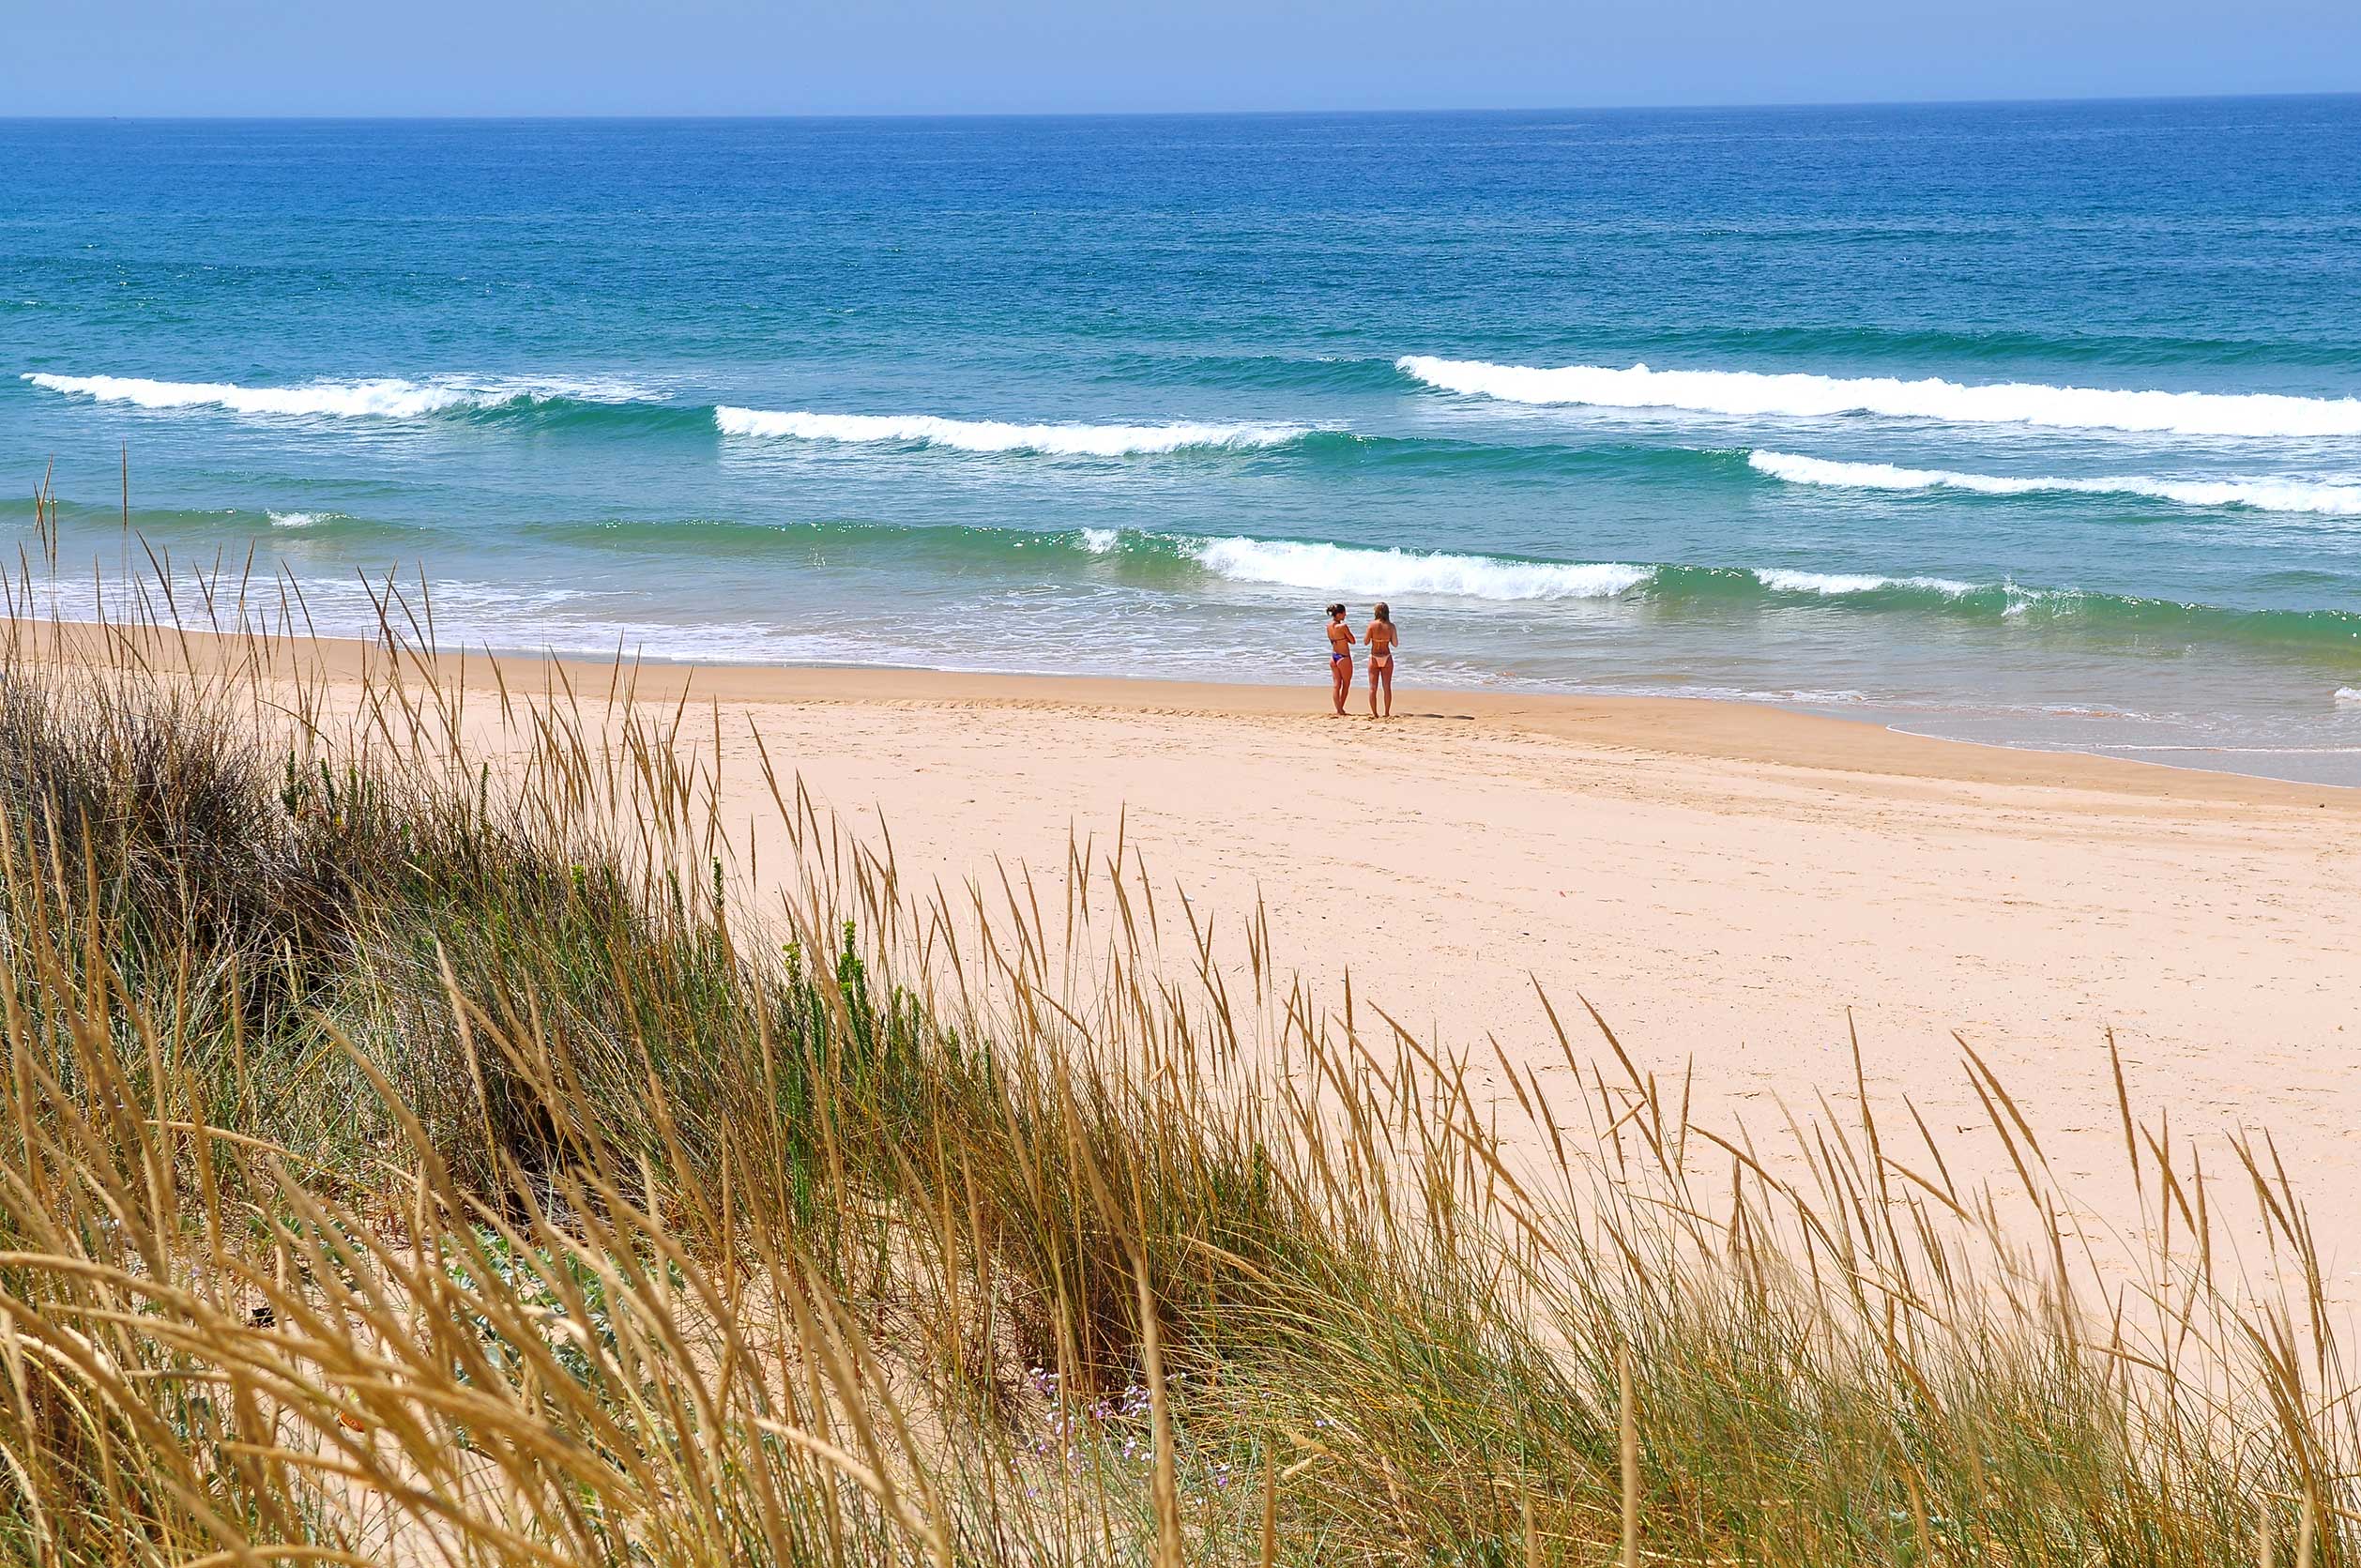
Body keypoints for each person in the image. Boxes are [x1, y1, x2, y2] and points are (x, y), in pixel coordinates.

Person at [1364, 601, 1398, 718]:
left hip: (1374, 657)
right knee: (1387, 687)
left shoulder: (1371, 625)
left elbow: (1366, 642)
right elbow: (1395, 644)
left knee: (1372, 688)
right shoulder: (1391, 626)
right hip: (1386, 657)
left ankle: (1374, 713)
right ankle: (1387, 712)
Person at [1324, 602, 1355, 715]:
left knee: (1336, 685)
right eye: (1343, 613)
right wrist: (1345, 639)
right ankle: (1340, 709)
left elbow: (1332, 640)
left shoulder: (1328, 626)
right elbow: (1353, 641)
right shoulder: (1343, 626)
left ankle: (1338, 709)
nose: (1345, 615)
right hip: (1344, 657)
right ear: (1338, 614)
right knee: (1346, 684)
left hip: (1334, 656)